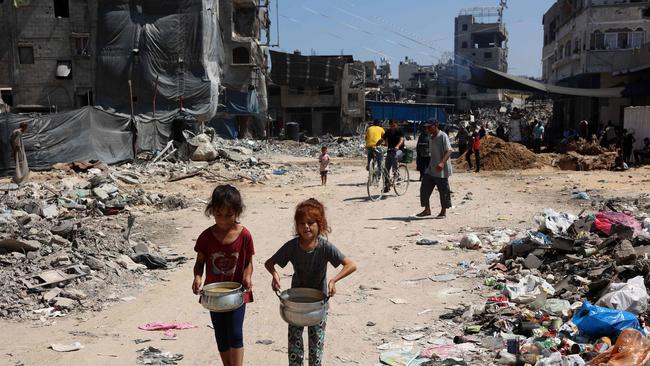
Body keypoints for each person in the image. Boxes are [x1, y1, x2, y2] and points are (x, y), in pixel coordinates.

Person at [265, 198, 357, 366]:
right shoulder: (292, 247)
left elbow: (351, 265)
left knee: (316, 346)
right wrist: (275, 275)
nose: (306, 226)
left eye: (311, 222)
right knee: (295, 347)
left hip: (318, 304)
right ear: (297, 226)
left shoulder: (325, 247)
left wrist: (334, 280)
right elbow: (269, 263)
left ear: (319, 225)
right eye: (301, 223)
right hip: (296, 304)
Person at [192, 185, 254, 366]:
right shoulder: (205, 237)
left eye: (229, 215)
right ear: (212, 211)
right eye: (219, 214)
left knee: (235, 333)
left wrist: (247, 276)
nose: (224, 220)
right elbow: (199, 262)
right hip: (215, 294)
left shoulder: (244, 235)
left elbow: (248, 262)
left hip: (237, 293)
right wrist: (197, 277)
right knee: (221, 335)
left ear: (237, 212)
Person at [416, 120, 453, 218]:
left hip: (441, 170)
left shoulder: (443, 136)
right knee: (424, 189)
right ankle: (427, 210)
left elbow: (449, 151)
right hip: (431, 168)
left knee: (443, 191)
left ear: (436, 125)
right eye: (426, 127)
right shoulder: (430, 137)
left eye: (429, 127)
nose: (427, 129)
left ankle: (443, 211)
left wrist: (441, 163)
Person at [383, 120, 404, 192]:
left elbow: (401, 139)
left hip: (399, 151)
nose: (392, 127)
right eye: (391, 126)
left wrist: (397, 146)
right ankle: (386, 185)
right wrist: (377, 144)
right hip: (390, 151)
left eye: (393, 126)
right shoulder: (388, 131)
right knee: (386, 169)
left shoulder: (399, 131)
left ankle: (397, 174)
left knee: (394, 156)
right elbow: (383, 138)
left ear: (396, 125)